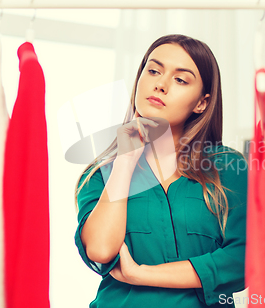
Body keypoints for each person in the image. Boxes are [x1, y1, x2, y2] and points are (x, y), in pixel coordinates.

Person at [74, 34, 248, 308]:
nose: (161, 84)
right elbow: (100, 249)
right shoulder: (100, 175)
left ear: (202, 102)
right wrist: (125, 161)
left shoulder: (228, 168)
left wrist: (140, 274)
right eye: (153, 71)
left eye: (181, 79)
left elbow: (242, 261)